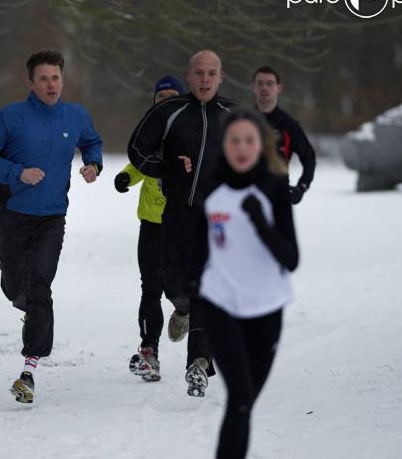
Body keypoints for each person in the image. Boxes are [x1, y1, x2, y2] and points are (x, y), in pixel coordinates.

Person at [0, 50, 103, 403]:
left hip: (52, 217)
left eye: (56, 77)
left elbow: (92, 141)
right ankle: (28, 307)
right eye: (43, 78)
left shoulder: (75, 116)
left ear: (64, 80)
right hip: (15, 214)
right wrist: (17, 173)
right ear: (30, 83)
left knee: (40, 284)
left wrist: (94, 164)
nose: (51, 84)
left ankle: (29, 371)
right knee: (14, 285)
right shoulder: (10, 118)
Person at [189, 108, 298, 459]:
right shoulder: (211, 187)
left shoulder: (274, 186)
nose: (241, 147)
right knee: (239, 397)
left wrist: (258, 221)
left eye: (248, 140)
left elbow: (291, 258)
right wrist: (189, 283)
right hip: (221, 305)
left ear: (260, 145)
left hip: (267, 307)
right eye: (234, 140)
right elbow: (196, 245)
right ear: (225, 144)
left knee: (244, 402)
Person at [127, 50, 236, 397]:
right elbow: (137, 150)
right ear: (189, 76)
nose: (205, 79)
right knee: (173, 283)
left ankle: (199, 362)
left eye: (212, 73)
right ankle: (182, 308)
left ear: (221, 77)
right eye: (199, 73)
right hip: (175, 213)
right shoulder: (168, 112)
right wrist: (166, 166)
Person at [113, 75, 185, 382]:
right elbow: (140, 161)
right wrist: (126, 178)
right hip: (151, 224)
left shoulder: (188, 133)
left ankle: (184, 311)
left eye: (172, 95)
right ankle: (148, 351)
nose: (165, 99)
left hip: (181, 225)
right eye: (160, 96)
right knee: (150, 287)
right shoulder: (151, 133)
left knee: (177, 287)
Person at [252, 66, 316, 204]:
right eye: (260, 83)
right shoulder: (242, 121)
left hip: (279, 197)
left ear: (279, 88)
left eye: (270, 83)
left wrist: (301, 187)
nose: (264, 87)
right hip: (246, 195)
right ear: (253, 87)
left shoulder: (289, 125)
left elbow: (309, 158)